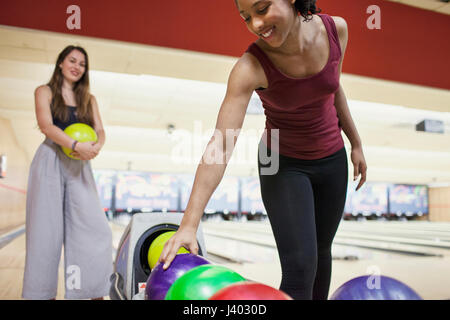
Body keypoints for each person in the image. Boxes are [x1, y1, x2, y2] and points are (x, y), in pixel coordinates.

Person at [159, 0, 367, 300]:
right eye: (246, 17)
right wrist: (189, 224)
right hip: (282, 164)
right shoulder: (249, 67)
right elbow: (221, 143)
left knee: (322, 255)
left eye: (263, 8)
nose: (256, 23)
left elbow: (333, 88)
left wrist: (355, 142)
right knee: (300, 267)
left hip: (332, 159)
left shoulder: (337, 30)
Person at [22, 45, 113, 300]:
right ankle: (41, 294)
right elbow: (46, 126)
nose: (77, 67)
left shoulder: (88, 98)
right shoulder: (44, 91)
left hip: (80, 163)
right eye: (72, 60)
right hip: (50, 157)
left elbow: (100, 130)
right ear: (61, 62)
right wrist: (74, 145)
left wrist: (96, 147)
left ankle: (90, 292)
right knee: (44, 234)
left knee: (96, 230)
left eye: (82, 64)